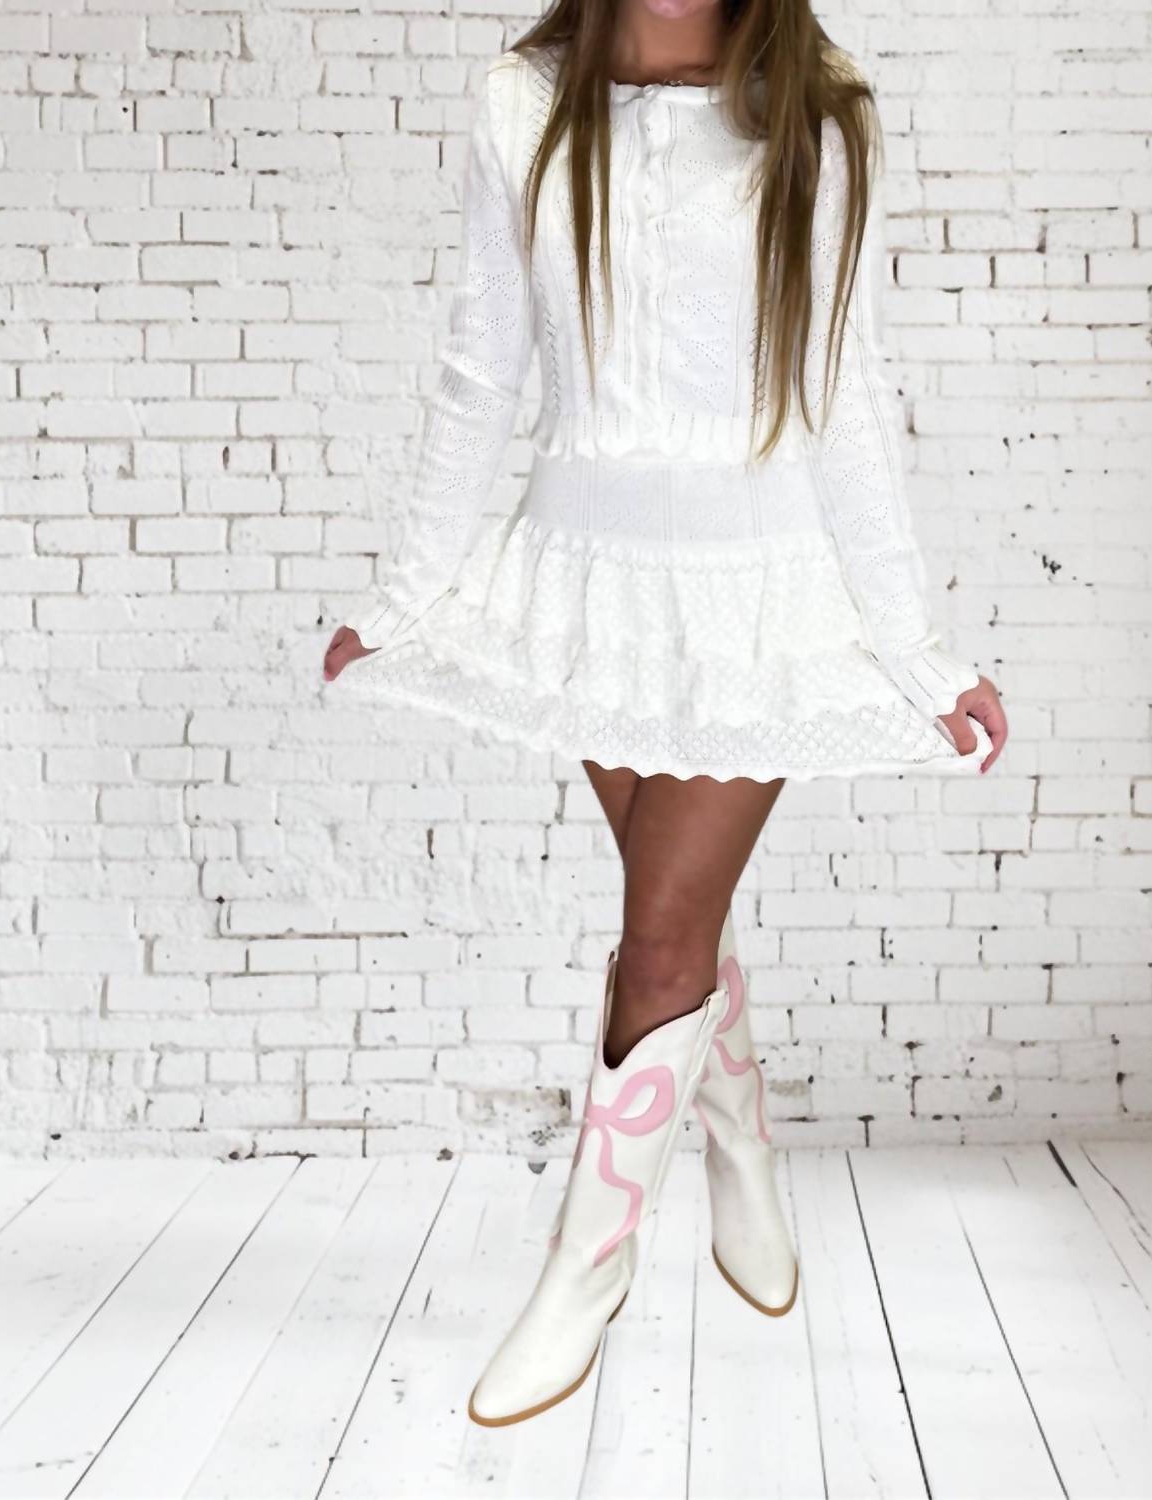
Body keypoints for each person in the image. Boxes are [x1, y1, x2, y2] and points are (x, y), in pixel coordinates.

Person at [323, 0, 1008, 1428]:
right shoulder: (521, 104)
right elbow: (482, 368)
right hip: (584, 586)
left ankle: (584, 1272)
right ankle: (735, 1123)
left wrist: (918, 650)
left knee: (657, 939)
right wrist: (405, 594)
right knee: (677, 921)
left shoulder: (816, 114)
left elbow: (843, 391)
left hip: (757, 596)